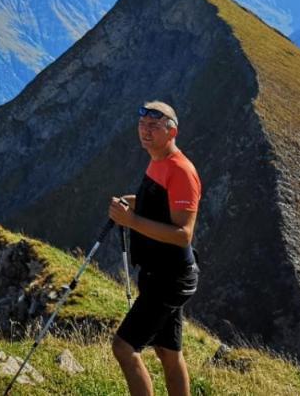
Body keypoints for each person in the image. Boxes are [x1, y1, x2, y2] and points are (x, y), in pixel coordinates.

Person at [108, 100, 202, 396]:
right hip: (159, 274)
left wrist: (131, 220)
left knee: (124, 348)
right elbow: (158, 205)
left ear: (172, 131)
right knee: (167, 352)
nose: (145, 132)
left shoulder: (181, 171)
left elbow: (183, 234)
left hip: (170, 277)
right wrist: (130, 203)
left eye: (154, 127)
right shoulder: (157, 160)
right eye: (142, 125)